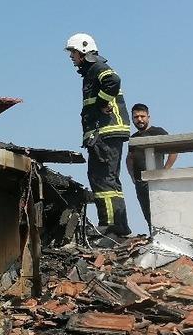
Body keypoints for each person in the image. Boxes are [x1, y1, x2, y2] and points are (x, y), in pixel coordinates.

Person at [65, 33, 132, 236]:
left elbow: (113, 81)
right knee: (101, 178)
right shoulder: (91, 72)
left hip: (106, 133)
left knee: (105, 180)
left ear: (83, 51)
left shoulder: (97, 68)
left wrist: (102, 103)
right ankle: (114, 225)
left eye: (73, 53)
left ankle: (113, 228)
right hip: (102, 134)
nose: (71, 57)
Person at [125, 103, 178, 229]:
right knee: (148, 216)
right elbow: (129, 158)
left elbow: (174, 150)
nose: (139, 119)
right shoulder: (133, 138)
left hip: (156, 180)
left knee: (161, 213)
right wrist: (132, 177)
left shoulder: (158, 132)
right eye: (136, 117)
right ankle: (153, 237)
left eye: (142, 116)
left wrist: (165, 171)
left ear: (148, 117)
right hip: (140, 182)